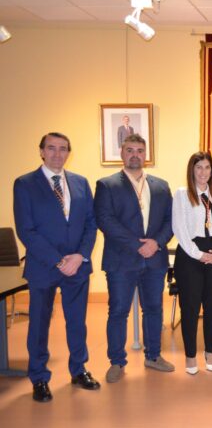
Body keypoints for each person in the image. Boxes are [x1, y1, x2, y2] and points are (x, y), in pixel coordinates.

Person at [13, 132, 100, 402]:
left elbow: (90, 224)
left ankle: (78, 369)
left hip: (77, 266)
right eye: (51, 148)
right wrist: (58, 260)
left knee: (77, 322)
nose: (57, 153)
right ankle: (39, 377)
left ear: (68, 153)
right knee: (39, 325)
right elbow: (26, 230)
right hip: (43, 266)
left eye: (63, 149)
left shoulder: (80, 182)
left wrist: (80, 256)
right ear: (41, 151)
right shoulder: (25, 184)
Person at [95, 134, 175, 383]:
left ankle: (153, 356)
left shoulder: (161, 186)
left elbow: (170, 221)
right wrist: (138, 246)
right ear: (122, 153)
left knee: (153, 309)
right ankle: (117, 362)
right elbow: (105, 220)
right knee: (118, 311)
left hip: (154, 260)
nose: (135, 155)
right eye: (130, 150)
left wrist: (156, 243)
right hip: (121, 261)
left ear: (145, 155)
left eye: (140, 150)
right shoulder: (107, 185)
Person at [172, 152, 212, 374]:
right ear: (192, 170)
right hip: (190, 256)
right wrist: (199, 255)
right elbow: (179, 229)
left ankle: (210, 351)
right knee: (190, 307)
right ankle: (189, 355)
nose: (203, 172)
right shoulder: (182, 195)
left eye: (207, 168)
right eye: (199, 168)